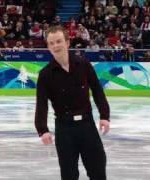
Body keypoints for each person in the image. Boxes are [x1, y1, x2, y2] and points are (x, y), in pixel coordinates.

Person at [34, 25, 110, 180]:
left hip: (87, 127)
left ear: (67, 43)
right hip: (64, 130)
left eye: (59, 41)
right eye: (52, 43)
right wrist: (42, 129)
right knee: (69, 175)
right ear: (48, 47)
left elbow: (97, 90)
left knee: (98, 171)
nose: (56, 45)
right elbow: (41, 104)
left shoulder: (83, 64)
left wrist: (104, 115)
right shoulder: (45, 75)